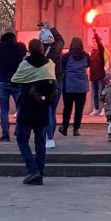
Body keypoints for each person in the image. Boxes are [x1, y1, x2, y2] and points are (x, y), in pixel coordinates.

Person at [11, 38, 56, 185]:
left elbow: (15, 80)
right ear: (42, 49)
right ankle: (40, 173)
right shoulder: (49, 64)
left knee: (22, 140)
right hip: (42, 107)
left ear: (29, 49)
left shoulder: (25, 64)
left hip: (27, 107)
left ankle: (32, 170)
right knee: (40, 142)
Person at [0, 28, 27, 142]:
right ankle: (19, 130)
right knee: (20, 108)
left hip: (3, 81)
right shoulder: (20, 47)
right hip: (17, 81)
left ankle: (5, 134)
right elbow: (24, 55)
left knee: (3, 109)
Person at [37, 20, 64, 149]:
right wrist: (52, 28)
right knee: (52, 111)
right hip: (58, 82)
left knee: (47, 111)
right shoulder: (56, 49)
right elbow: (60, 39)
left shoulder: (39, 53)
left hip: (45, 84)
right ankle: (50, 136)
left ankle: (50, 138)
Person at [59, 37, 90, 137]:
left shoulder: (66, 56)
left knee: (67, 108)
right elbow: (89, 64)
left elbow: (61, 66)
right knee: (79, 109)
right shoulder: (86, 56)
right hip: (81, 87)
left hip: (69, 85)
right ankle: (76, 129)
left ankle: (64, 128)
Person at [88, 30, 108, 116]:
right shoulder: (91, 52)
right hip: (93, 75)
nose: (94, 43)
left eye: (96, 41)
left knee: (101, 92)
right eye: (93, 42)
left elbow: (100, 46)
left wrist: (95, 33)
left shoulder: (101, 51)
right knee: (95, 93)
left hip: (100, 75)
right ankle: (96, 108)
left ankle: (103, 108)